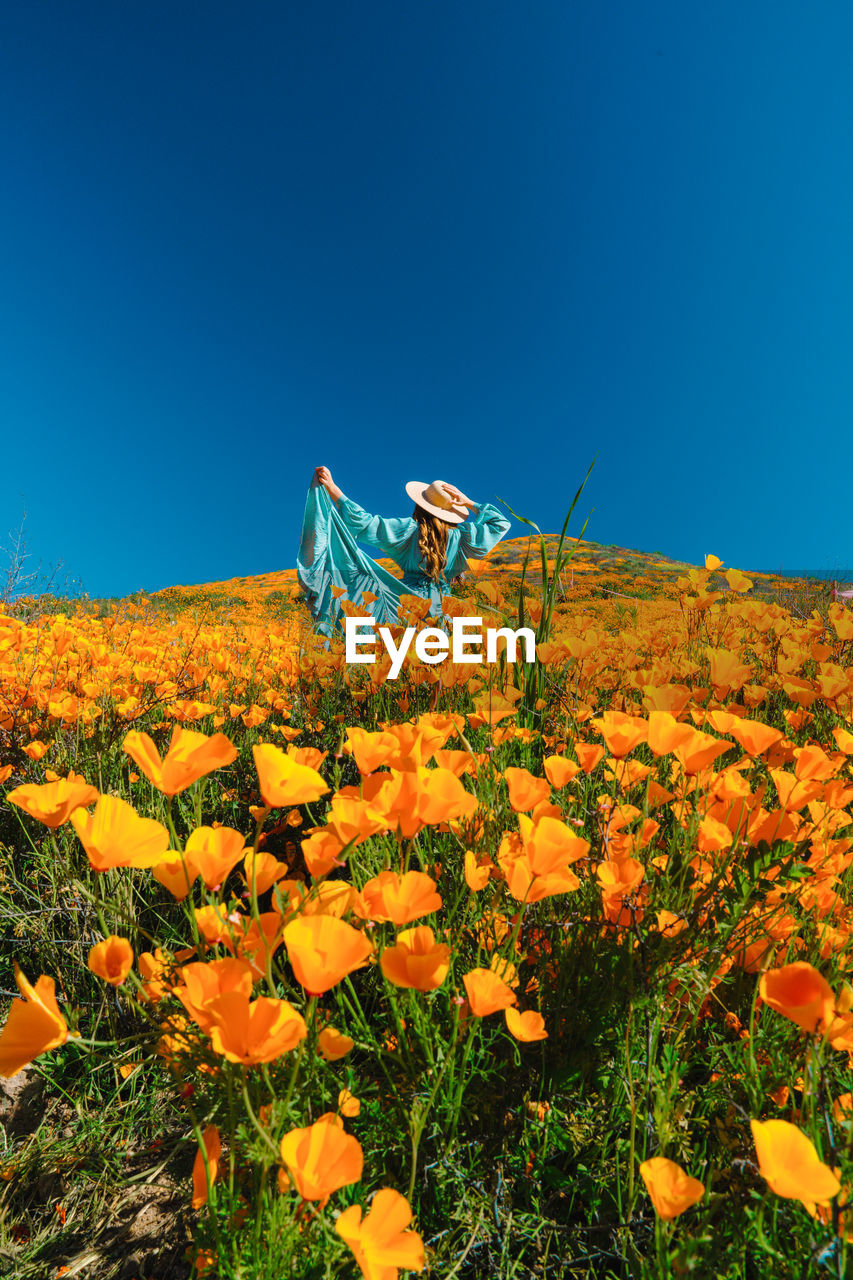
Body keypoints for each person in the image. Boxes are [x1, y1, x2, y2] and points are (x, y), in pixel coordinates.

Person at [297, 466, 511, 637]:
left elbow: (367, 524)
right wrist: (469, 502)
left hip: (403, 606)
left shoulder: (409, 531)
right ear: (450, 513)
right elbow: (499, 524)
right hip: (444, 611)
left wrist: (334, 490)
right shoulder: (463, 538)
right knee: (435, 667)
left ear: (419, 506)